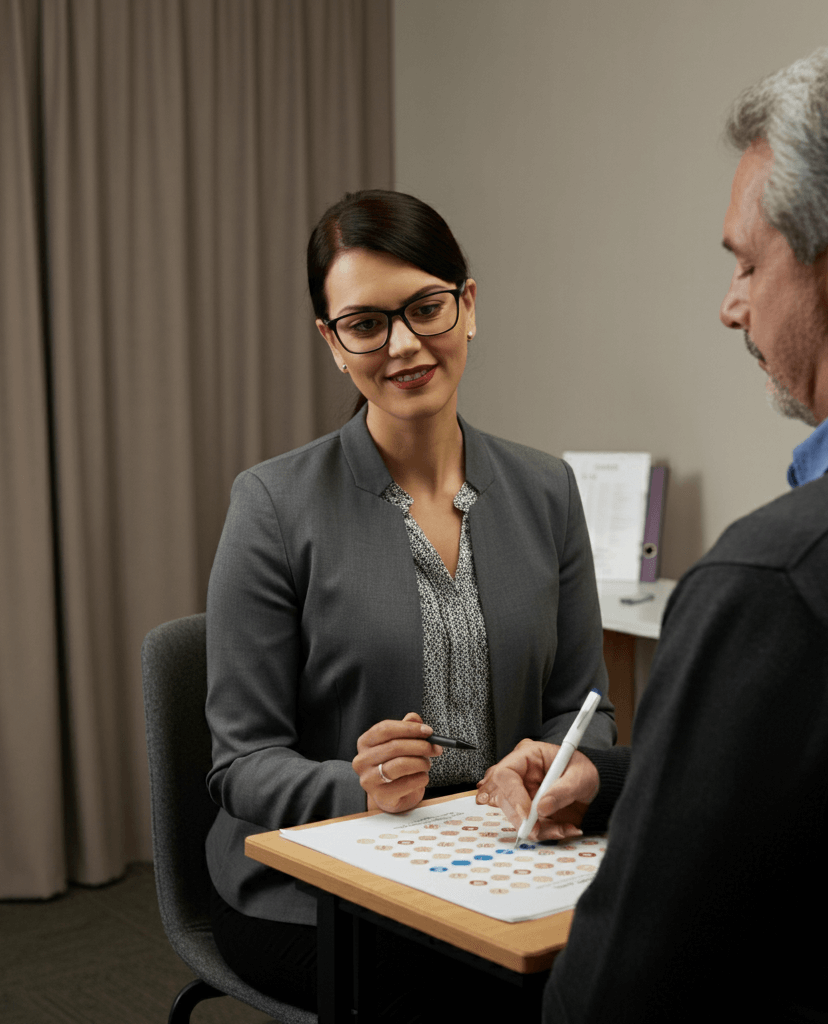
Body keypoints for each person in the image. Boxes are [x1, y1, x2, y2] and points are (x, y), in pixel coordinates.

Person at [480, 35, 828, 1022]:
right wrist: (617, 781)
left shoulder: (779, 578)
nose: (728, 306)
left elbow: (613, 997)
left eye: (745, 263)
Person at [203, 189, 616, 1015]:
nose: (403, 345)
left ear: (468, 306)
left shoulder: (545, 489)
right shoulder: (273, 505)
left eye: (426, 308)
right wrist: (361, 789)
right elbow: (240, 766)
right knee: (474, 992)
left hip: (499, 855)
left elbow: (587, 708)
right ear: (332, 342)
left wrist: (568, 766)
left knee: (648, 951)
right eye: (365, 324)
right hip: (313, 879)